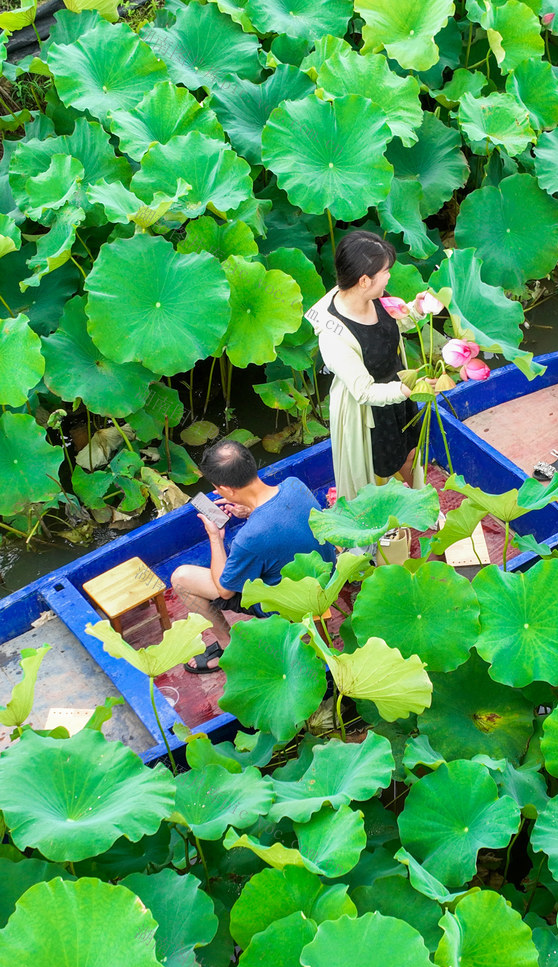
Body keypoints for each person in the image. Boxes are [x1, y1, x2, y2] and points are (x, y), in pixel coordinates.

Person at [170, 440, 334, 673]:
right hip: (326, 584)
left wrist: (215, 537)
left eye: (217, 487)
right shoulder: (294, 485)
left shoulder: (249, 538)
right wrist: (251, 512)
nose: (216, 492)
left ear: (226, 490)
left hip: (286, 606)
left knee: (181, 578)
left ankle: (228, 646)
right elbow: (282, 521)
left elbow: (225, 590)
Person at [305, 230, 432, 500]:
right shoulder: (333, 335)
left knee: (411, 452)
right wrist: (407, 390)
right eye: (385, 271)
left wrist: (416, 310)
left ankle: (422, 505)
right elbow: (364, 392)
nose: (389, 276)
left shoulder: (376, 296)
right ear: (364, 280)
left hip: (400, 390)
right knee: (380, 470)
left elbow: (391, 326)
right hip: (369, 412)